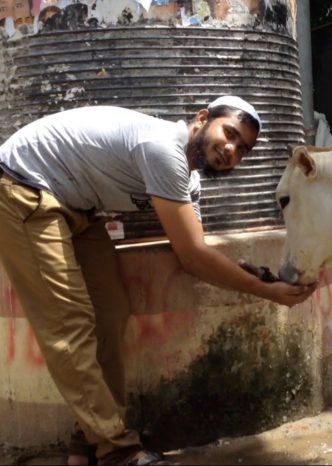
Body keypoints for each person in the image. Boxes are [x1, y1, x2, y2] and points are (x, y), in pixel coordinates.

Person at [0, 96, 316, 466]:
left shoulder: (188, 178)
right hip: (22, 189)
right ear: (202, 118)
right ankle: (117, 450)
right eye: (229, 133)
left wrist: (252, 273)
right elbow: (191, 255)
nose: (231, 150)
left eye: (242, 149)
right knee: (69, 327)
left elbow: (196, 253)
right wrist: (266, 292)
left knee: (111, 314)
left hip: (77, 207)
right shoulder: (163, 148)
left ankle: (88, 442)